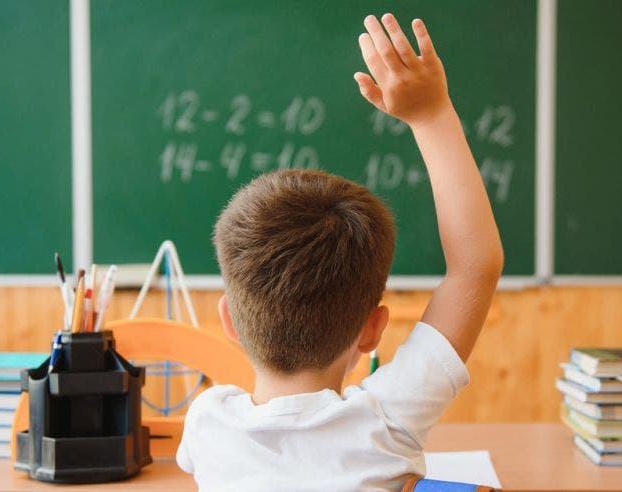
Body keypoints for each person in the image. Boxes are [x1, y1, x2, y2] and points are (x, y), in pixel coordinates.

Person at [177, 13, 504, 491]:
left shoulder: (207, 423)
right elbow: (475, 269)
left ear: (230, 321)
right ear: (372, 330)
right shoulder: (385, 424)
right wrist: (431, 115)